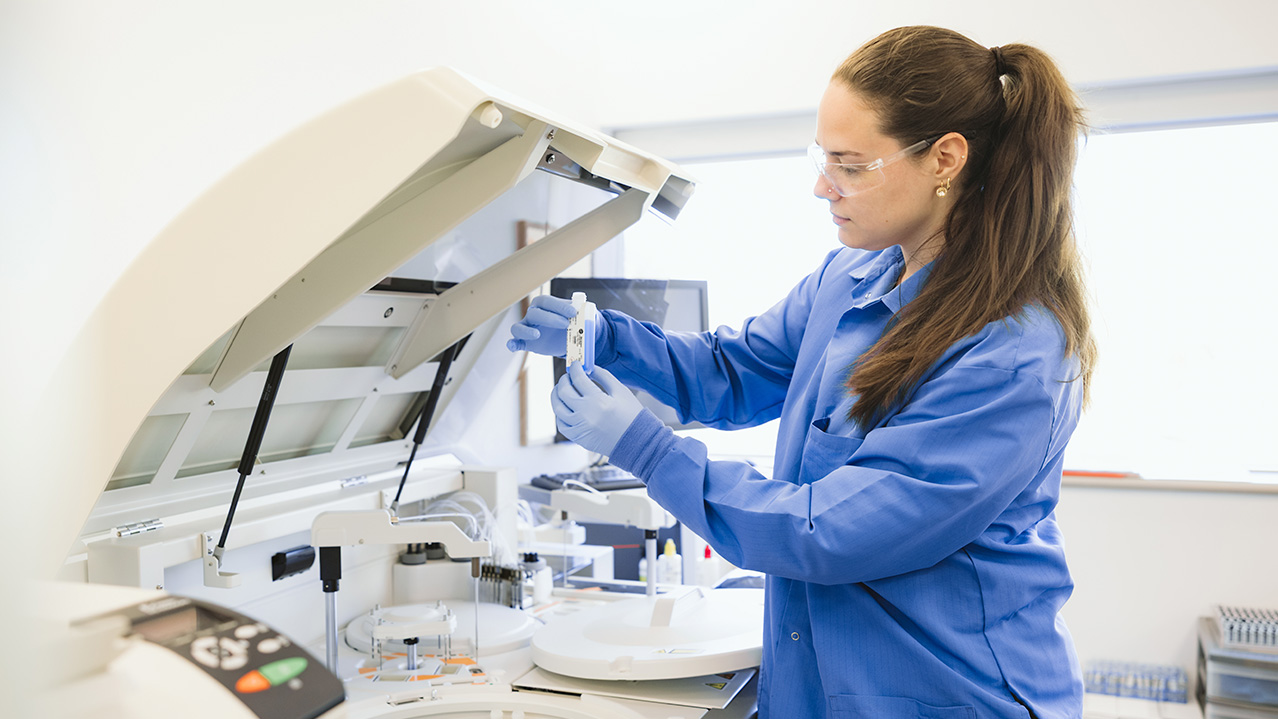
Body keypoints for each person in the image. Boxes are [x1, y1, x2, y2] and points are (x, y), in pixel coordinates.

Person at [508, 25, 1096, 719]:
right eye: (822, 158)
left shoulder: (1014, 351)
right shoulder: (851, 277)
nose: (823, 186)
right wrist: (610, 340)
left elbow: (829, 530)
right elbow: (734, 369)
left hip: (951, 692)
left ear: (944, 158)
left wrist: (645, 447)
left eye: (851, 165)